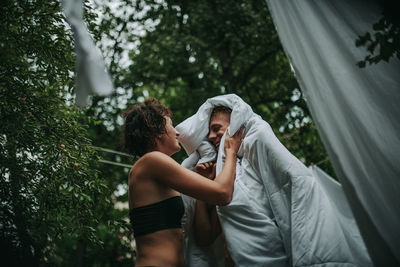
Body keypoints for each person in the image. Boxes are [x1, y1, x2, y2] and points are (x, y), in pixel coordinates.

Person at [176, 94, 372, 267]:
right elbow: (204, 238)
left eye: (216, 128)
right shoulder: (222, 177)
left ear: (234, 123)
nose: (210, 137)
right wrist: (201, 188)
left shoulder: (257, 158)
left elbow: (297, 189)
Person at [122, 98, 245, 266]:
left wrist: (202, 180)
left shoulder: (156, 171)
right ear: (156, 130)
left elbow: (205, 236)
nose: (177, 132)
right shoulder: (152, 161)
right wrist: (230, 151)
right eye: (171, 126)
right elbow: (222, 193)